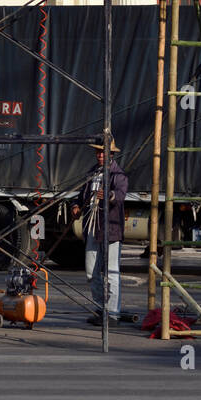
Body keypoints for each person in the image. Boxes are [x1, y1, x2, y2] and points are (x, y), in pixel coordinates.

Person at [72, 138, 129, 325]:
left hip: (111, 228)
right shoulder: (92, 173)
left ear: (111, 154)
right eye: (98, 152)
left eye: (104, 152)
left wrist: (109, 195)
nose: (100, 155)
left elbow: (120, 194)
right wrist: (76, 205)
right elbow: (81, 196)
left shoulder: (118, 175)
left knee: (111, 271)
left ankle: (112, 313)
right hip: (92, 227)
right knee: (92, 271)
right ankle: (100, 308)